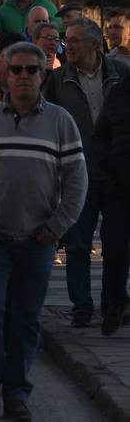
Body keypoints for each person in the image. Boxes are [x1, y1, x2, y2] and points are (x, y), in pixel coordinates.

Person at [0, 42, 88, 421]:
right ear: (4, 74)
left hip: (38, 239)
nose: (24, 76)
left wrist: (56, 226)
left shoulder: (61, 121)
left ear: (43, 75)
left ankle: (16, 394)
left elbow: (76, 181)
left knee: (26, 319)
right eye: (16, 70)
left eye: (32, 70)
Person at [44, 17, 129, 327]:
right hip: (77, 172)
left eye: (75, 40)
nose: (69, 46)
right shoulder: (58, 79)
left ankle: (113, 303)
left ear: (95, 44)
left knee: (117, 244)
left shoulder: (121, 74)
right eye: (68, 40)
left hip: (117, 174)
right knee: (79, 243)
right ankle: (81, 305)